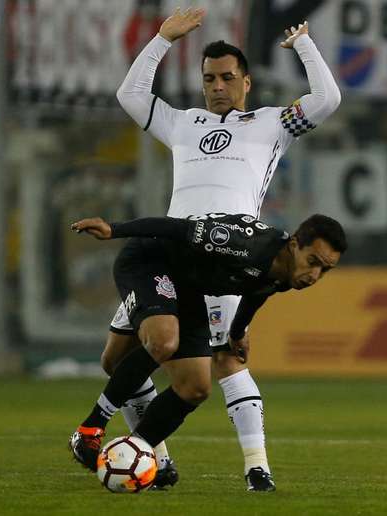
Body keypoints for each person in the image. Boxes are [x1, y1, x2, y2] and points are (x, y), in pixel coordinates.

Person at [70, 6, 341, 491]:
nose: (217, 86)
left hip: (231, 258)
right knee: (118, 360)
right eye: (209, 78)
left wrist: (303, 44)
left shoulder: (272, 124)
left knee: (227, 359)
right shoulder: (184, 123)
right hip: (168, 255)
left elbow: (326, 98)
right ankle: (153, 455)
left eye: (227, 77)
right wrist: (162, 40)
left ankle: (256, 467)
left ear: (247, 82)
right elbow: (130, 95)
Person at [69, 213, 347, 491]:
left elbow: (258, 292)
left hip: (188, 288)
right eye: (313, 263)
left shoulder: (288, 273)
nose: (314, 276)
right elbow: (176, 228)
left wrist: (237, 332)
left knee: (196, 387)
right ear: (294, 244)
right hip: (149, 262)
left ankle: (135, 452)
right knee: (163, 343)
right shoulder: (244, 243)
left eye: (325, 270)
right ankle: (89, 430)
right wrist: (114, 229)